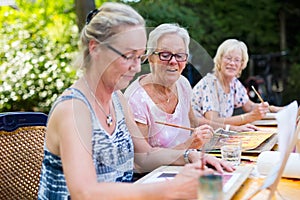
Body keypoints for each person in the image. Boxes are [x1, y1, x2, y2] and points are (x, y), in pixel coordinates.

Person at [38, 3, 232, 200]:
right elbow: (85, 193)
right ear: (95, 48)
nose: (137, 67)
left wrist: (189, 155)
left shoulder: (117, 99)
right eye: (128, 56)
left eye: (139, 57)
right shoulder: (73, 109)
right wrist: (170, 189)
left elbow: (145, 157)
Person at [192, 39, 282, 127]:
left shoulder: (234, 83)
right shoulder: (210, 84)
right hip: (197, 135)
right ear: (220, 59)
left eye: (237, 60)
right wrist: (248, 117)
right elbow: (213, 121)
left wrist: (275, 109)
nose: (232, 63)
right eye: (228, 58)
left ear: (242, 64)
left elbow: (250, 106)